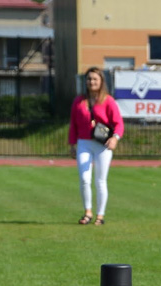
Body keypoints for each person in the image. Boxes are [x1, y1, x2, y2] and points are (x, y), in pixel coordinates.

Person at [68, 66, 124, 226]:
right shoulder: (79, 101)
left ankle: (100, 215)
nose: (91, 82)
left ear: (101, 82)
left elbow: (119, 123)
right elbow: (73, 124)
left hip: (102, 144)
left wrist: (115, 138)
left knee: (100, 180)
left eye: (95, 79)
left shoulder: (108, 101)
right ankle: (87, 212)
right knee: (85, 178)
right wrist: (72, 144)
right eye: (89, 79)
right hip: (84, 142)